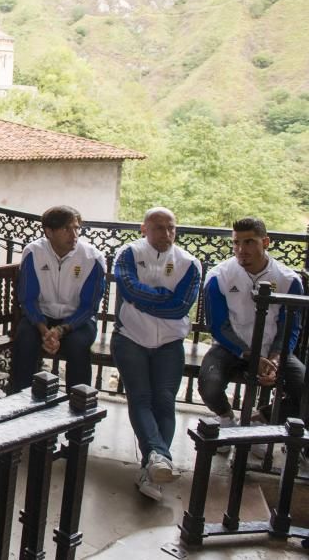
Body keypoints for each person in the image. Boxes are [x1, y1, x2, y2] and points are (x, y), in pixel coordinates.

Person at [111, 207, 201, 502]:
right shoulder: (128, 254)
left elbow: (180, 307)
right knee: (140, 397)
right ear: (144, 229)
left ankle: (152, 466)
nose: (166, 234)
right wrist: (162, 299)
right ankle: (160, 459)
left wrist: (145, 301)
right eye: (159, 227)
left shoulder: (190, 263)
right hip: (131, 338)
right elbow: (129, 290)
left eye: (171, 228)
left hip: (170, 343)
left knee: (164, 400)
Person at [199, 217, 306, 435]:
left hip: (274, 348)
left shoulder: (289, 279)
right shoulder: (219, 277)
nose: (241, 249)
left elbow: (290, 327)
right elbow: (218, 326)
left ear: (265, 242)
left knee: (305, 391)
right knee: (208, 383)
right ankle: (226, 418)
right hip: (231, 347)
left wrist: (275, 358)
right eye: (236, 242)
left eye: (249, 242)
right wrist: (251, 356)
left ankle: (261, 420)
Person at [12, 205, 105, 391]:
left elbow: (89, 306)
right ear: (49, 232)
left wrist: (61, 330)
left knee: (78, 346)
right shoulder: (33, 252)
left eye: (76, 228)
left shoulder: (92, 257)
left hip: (77, 320)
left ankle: (79, 405)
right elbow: (27, 298)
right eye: (66, 229)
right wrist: (44, 330)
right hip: (41, 316)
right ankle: (18, 399)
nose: (74, 234)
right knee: (24, 340)